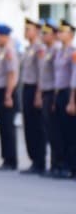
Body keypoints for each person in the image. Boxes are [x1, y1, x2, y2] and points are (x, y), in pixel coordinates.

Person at [0, 23, 19, 172]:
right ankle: (6, 158)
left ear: (5, 36)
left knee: (8, 128)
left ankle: (11, 160)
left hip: (7, 92)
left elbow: (12, 75)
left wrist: (8, 95)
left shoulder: (9, 51)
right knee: (2, 126)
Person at [20, 17, 46, 175]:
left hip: (35, 89)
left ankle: (39, 160)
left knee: (37, 126)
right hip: (27, 88)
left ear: (36, 31)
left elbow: (42, 73)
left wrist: (38, 94)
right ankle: (34, 160)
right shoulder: (29, 48)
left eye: (28, 29)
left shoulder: (39, 49)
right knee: (29, 125)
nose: (25, 32)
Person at [36, 21, 60, 176]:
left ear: (54, 34)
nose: (43, 35)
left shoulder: (57, 50)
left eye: (46, 33)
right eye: (42, 33)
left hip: (53, 93)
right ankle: (53, 164)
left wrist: (56, 98)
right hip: (46, 92)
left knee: (55, 132)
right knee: (49, 131)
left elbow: (59, 76)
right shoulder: (48, 50)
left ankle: (57, 164)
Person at [56, 20, 76, 180]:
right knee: (61, 131)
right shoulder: (59, 52)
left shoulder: (73, 53)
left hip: (69, 94)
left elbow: (74, 79)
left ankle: (71, 167)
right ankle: (64, 164)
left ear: (70, 35)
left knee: (71, 133)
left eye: (63, 31)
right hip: (60, 93)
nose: (59, 34)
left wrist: (72, 100)